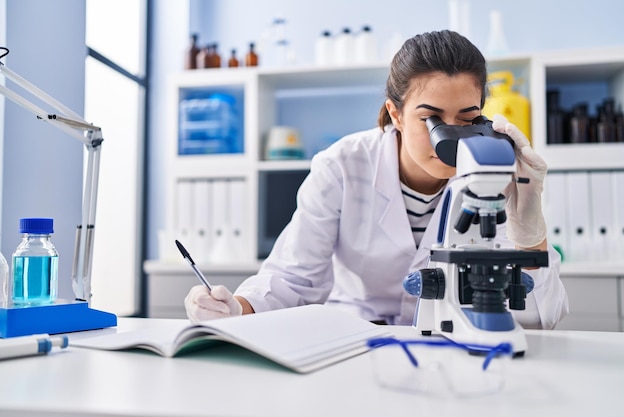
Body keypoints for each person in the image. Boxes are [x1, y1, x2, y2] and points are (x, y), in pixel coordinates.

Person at [184, 30, 569, 328]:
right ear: (396, 114)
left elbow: (540, 318)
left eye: (468, 120)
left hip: (451, 342)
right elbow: (293, 280)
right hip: (353, 341)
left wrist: (529, 230)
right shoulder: (342, 165)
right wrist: (235, 308)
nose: (451, 138)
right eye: (431, 120)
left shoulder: (493, 174)